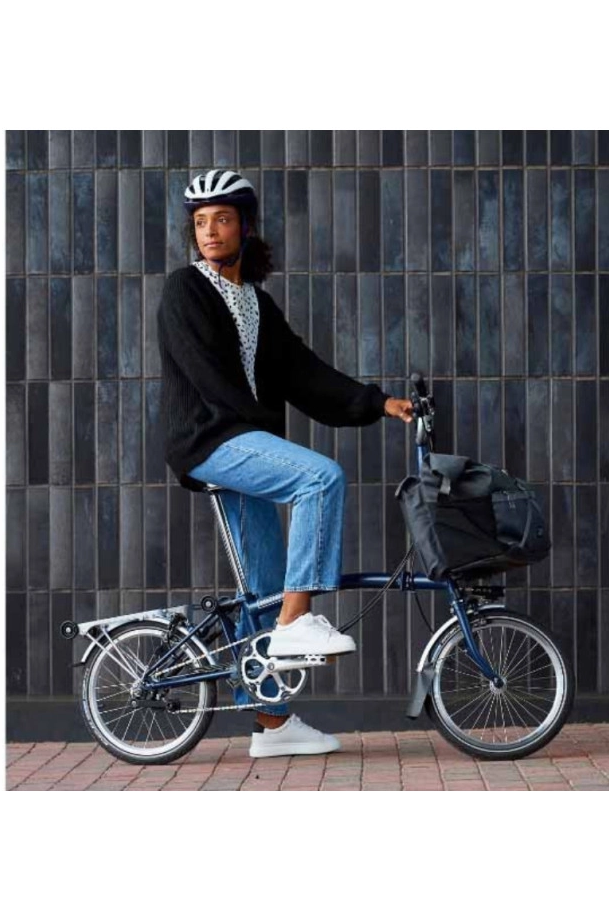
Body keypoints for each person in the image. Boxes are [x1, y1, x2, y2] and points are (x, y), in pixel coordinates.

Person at [157, 169, 415, 759]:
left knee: (266, 591)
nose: (210, 231)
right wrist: (261, 436)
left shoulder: (256, 303)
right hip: (211, 440)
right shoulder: (185, 289)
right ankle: (297, 625)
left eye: (222, 219)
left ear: (245, 228)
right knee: (319, 477)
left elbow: (304, 373)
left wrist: (378, 402)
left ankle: (272, 724)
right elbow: (205, 376)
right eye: (200, 222)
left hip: (243, 441)